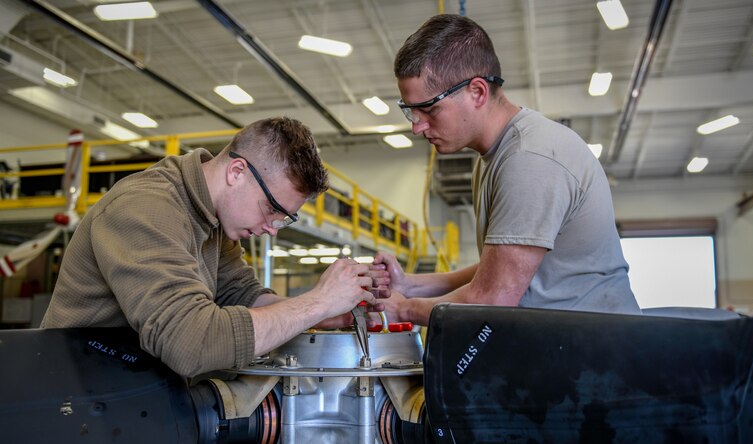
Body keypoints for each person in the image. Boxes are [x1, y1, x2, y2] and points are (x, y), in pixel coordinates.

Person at [42, 117, 378, 377]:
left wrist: (328, 314)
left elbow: (242, 295)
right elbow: (192, 344)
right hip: (76, 397)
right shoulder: (146, 209)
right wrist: (316, 304)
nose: (271, 230)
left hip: (133, 390)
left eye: (283, 219)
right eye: (272, 210)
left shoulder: (214, 219)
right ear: (237, 172)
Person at [371, 14, 640, 325]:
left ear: (477, 92)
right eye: (411, 112)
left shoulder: (531, 158)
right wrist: (410, 284)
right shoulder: (490, 159)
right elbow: (501, 271)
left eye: (430, 109)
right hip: (563, 348)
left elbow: (492, 299)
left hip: (595, 353)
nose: (418, 127)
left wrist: (403, 309)